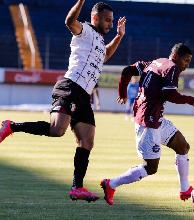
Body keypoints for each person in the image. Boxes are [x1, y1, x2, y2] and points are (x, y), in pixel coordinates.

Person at [0, 0, 126, 202]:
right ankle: (11, 126)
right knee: (57, 130)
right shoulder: (84, 30)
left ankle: (77, 187)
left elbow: (106, 55)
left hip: (84, 95)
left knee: (87, 141)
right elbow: (69, 21)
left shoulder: (101, 42)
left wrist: (119, 36)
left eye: (112, 21)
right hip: (70, 86)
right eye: (107, 20)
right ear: (95, 18)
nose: (110, 24)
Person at [100, 43, 194, 206]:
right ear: (175, 56)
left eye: (189, 62)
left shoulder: (155, 63)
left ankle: (184, 189)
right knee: (151, 167)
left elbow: (127, 71)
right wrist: (191, 100)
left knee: (183, 146)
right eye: (186, 61)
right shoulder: (172, 67)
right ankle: (111, 184)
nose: (187, 65)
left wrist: (122, 93)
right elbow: (169, 94)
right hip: (148, 123)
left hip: (156, 119)